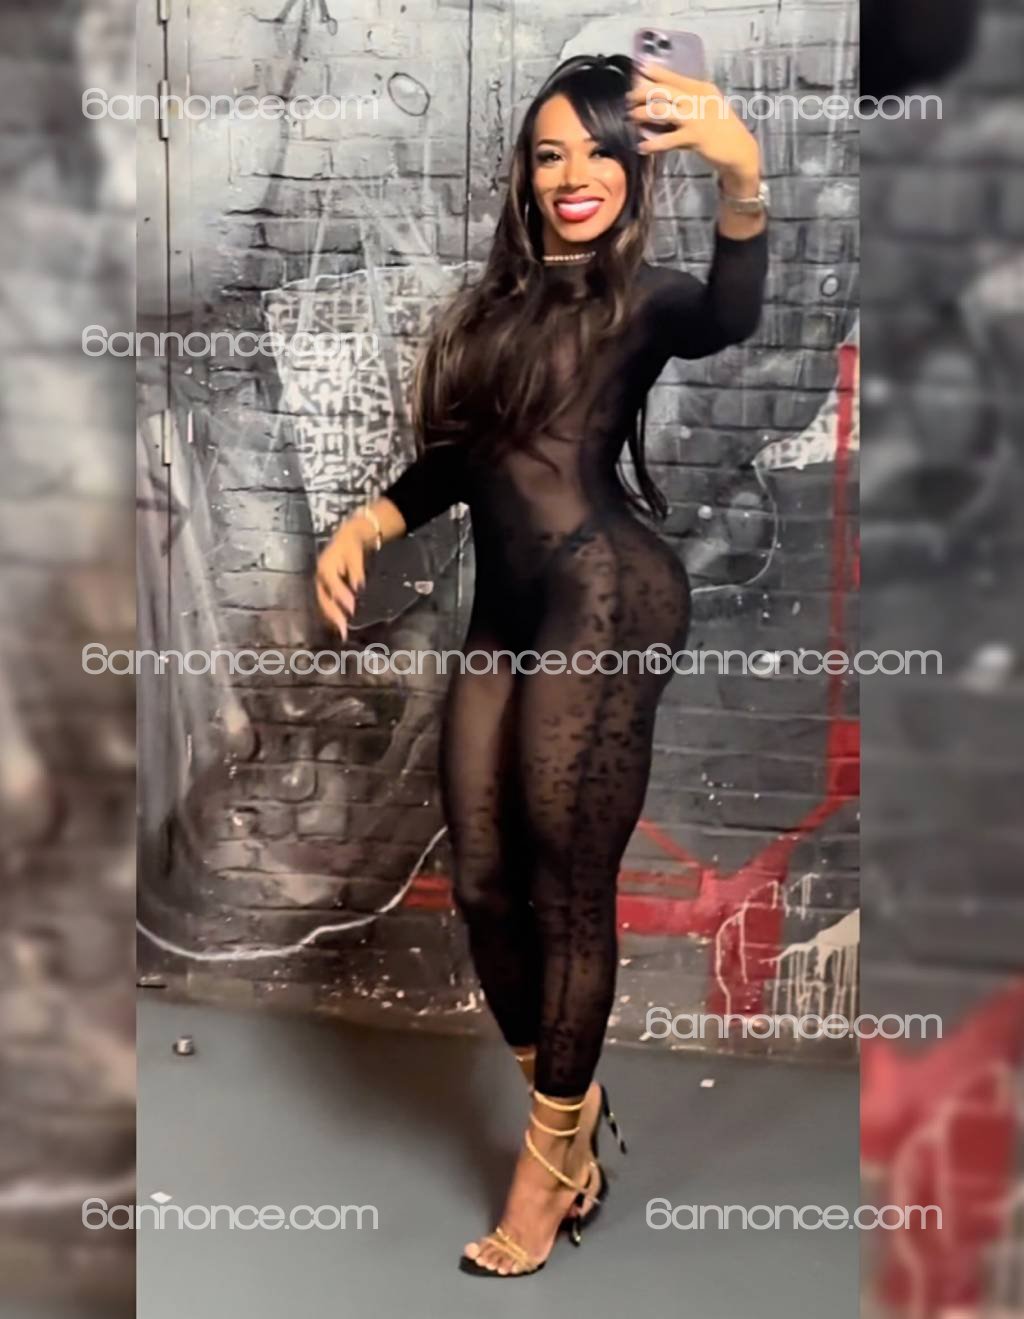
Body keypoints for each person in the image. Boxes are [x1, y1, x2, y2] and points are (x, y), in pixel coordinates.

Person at [315, 52, 768, 1277]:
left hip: (607, 594)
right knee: (483, 880)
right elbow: (467, 459)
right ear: (524, 172)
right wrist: (369, 519)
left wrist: (742, 178)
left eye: (599, 153)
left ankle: (547, 1160)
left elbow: (730, 318)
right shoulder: (486, 313)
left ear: (633, 171)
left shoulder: (646, 300)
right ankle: (571, 1116)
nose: (574, 175)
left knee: (568, 887)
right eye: (550, 152)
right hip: (510, 605)